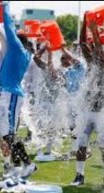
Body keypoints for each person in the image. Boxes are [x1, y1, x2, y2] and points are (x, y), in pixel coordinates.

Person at [71, 13, 104, 191]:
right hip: (86, 111)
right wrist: (84, 25)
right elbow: (83, 44)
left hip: (102, 112)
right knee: (81, 144)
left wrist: (95, 31)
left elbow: (97, 46)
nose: (96, 53)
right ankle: (79, 174)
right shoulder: (91, 63)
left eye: (100, 52)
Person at [0, 3, 37, 182]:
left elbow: (8, 26)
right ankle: (13, 168)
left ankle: (27, 164)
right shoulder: (19, 52)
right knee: (4, 134)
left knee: (9, 135)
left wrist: (5, 5)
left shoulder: (17, 49)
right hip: (7, 95)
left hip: (12, 95)